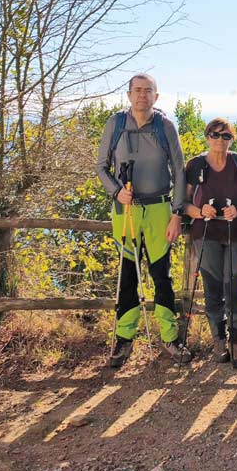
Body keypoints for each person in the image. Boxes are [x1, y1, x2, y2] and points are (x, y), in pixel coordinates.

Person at [96, 73, 187, 367]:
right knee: (127, 275)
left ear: (156, 97)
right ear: (128, 94)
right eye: (137, 90)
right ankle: (124, 339)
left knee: (162, 275)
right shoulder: (115, 124)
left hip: (160, 208)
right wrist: (116, 191)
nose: (142, 96)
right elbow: (101, 167)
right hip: (127, 210)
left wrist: (176, 214)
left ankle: (170, 338)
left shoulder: (165, 126)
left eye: (148, 91)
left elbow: (180, 171)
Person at [184, 118, 237, 369]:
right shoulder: (195, 165)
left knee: (236, 289)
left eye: (226, 136)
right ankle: (219, 342)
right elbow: (183, 203)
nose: (220, 140)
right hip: (206, 233)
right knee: (213, 289)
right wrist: (201, 211)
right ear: (207, 137)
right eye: (215, 135)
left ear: (232, 139)